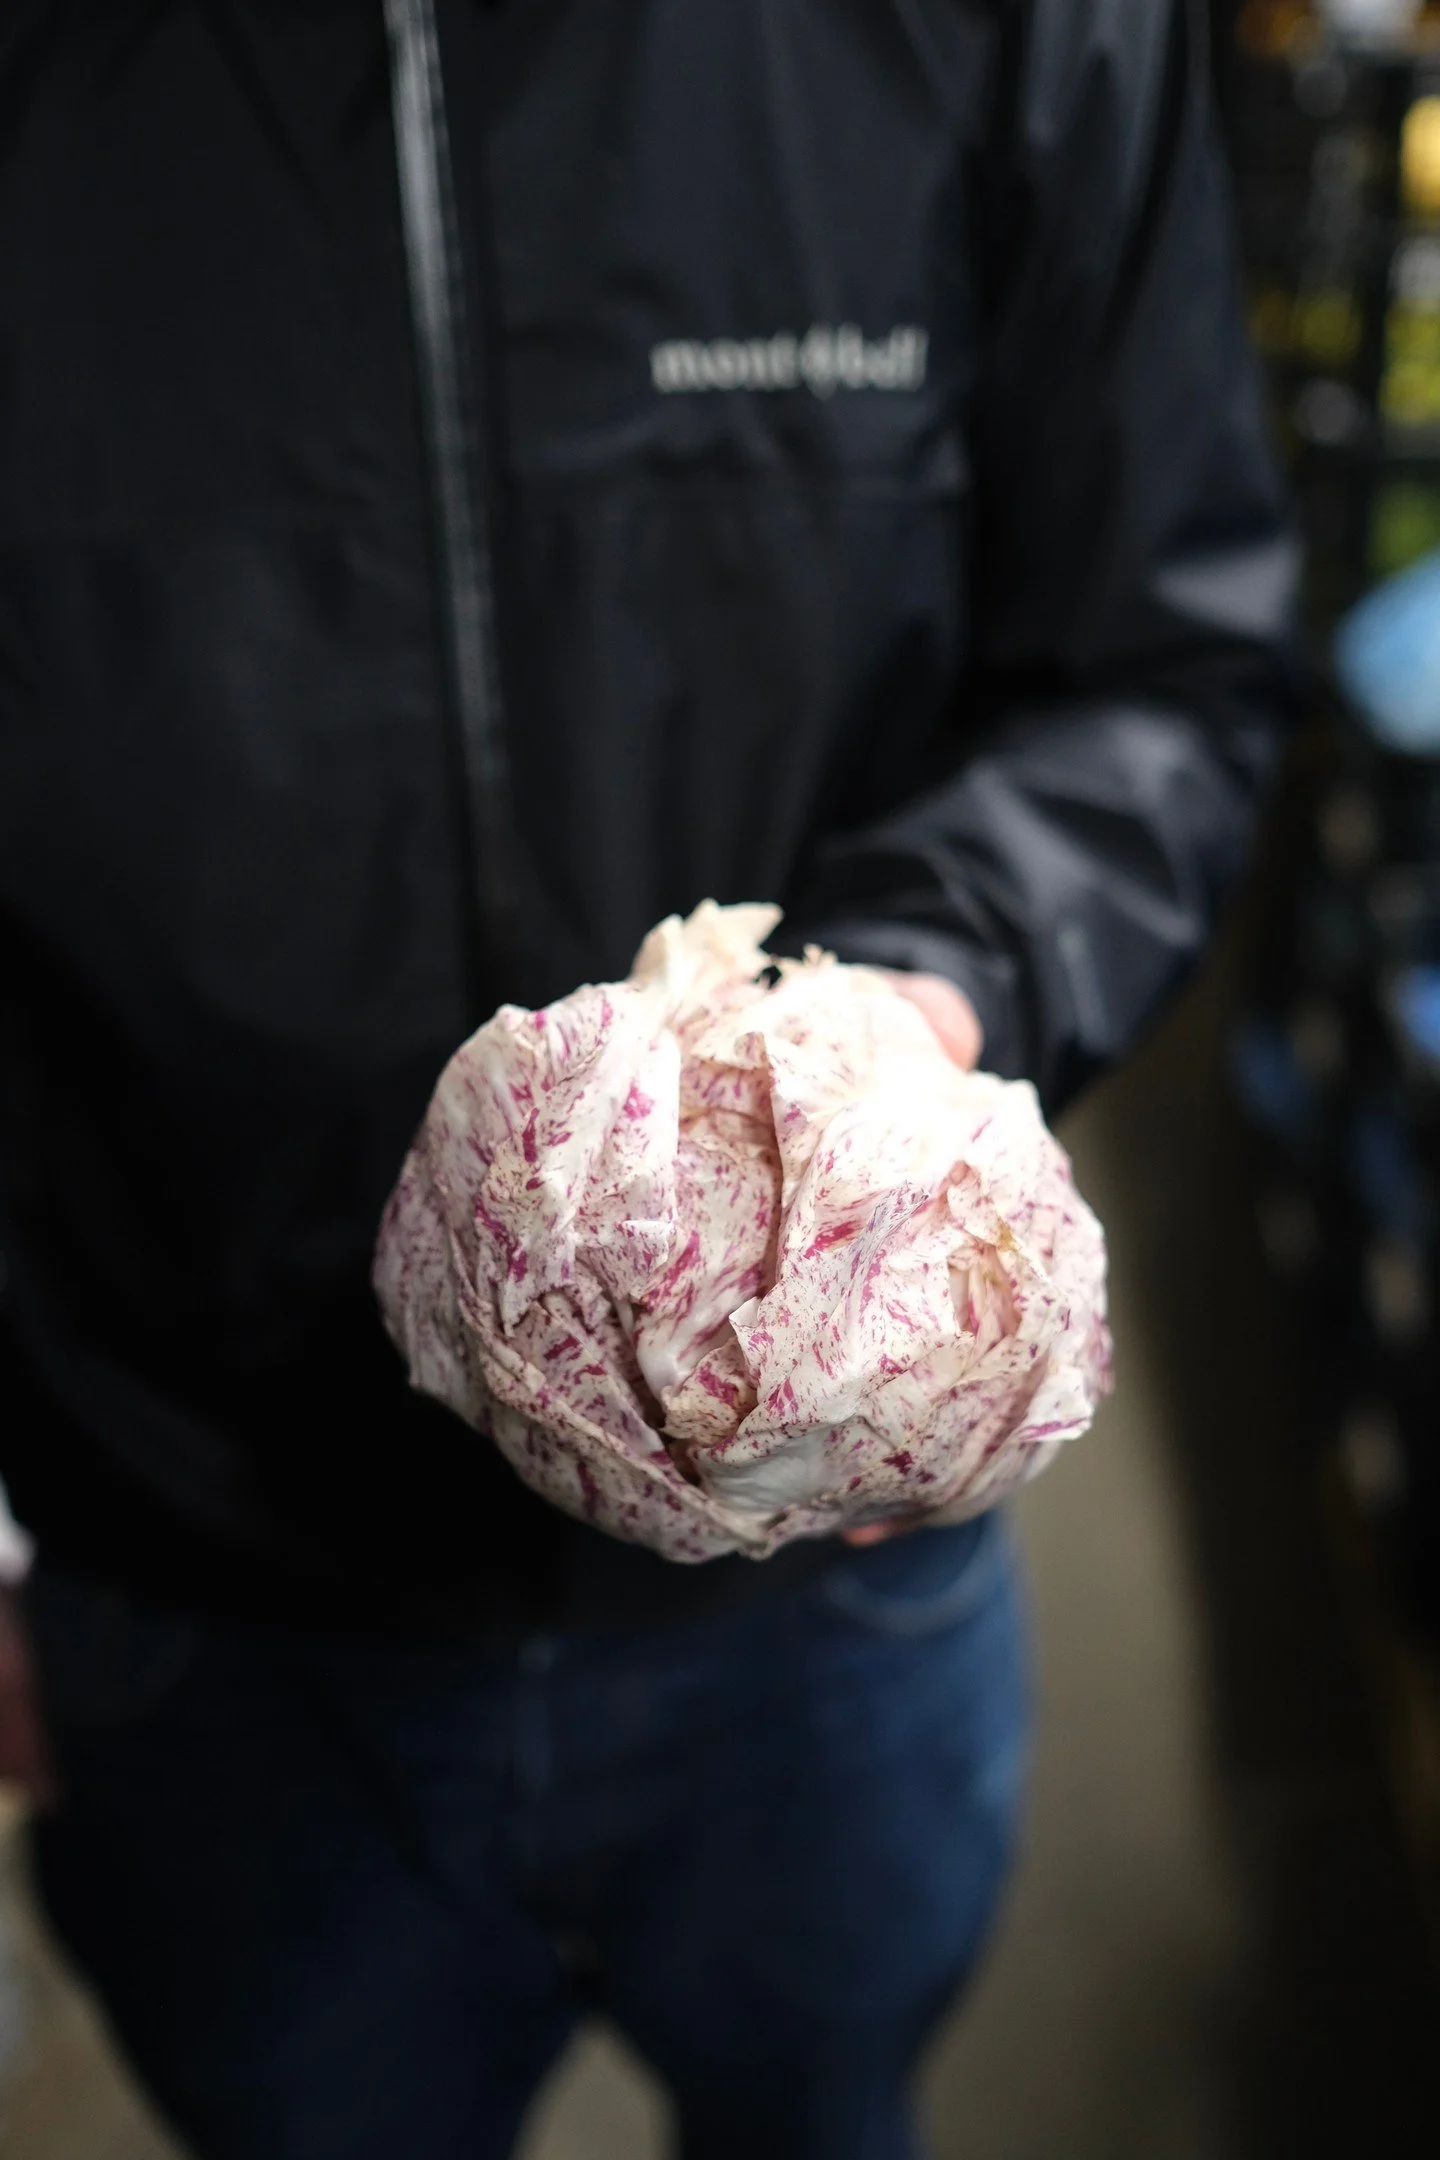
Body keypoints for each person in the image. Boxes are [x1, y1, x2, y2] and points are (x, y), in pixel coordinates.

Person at [0, 3, 1293, 2156]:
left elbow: (1162, 663)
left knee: (824, 2086)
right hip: (196, 1561)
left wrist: (938, 991)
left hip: (825, 1588)